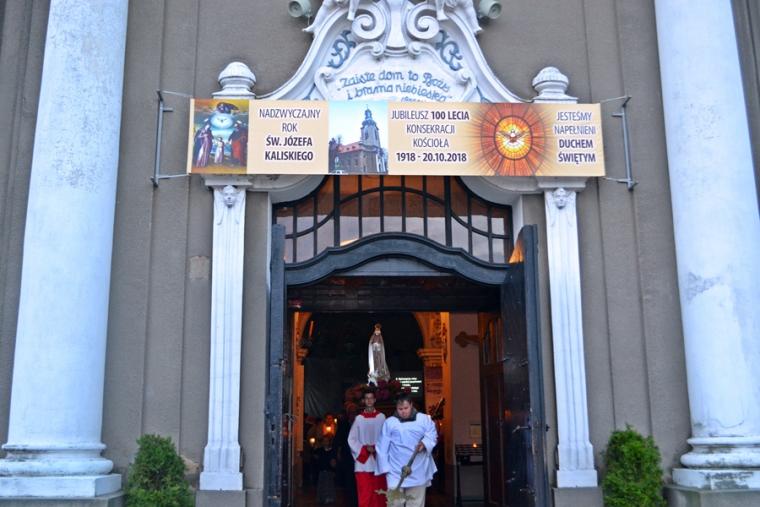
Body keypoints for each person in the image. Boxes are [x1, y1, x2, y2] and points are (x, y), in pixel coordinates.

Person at [375, 393, 437, 507]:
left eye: (406, 408)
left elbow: (432, 434)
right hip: (395, 470)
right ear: (396, 408)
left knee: (415, 503)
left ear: (411, 405)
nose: (403, 411)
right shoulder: (390, 422)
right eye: (400, 409)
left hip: (418, 468)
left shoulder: (424, 419)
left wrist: (424, 443)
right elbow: (382, 447)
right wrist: (385, 468)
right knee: (394, 503)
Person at [348, 390, 387, 507]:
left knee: (379, 494)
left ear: (375, 400)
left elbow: (387, 437)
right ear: (363, 401)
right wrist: (365, 449)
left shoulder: (382, 417)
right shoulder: (359, 419)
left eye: (371, 398)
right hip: (363, 464)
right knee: (365, 494)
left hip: (378, 461)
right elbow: (351, 439)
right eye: (367, 398)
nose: (369, 400)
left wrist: (377, 448)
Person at [315, 436, 338, 504]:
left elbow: (334, 461)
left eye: (326, 441)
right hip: (322, 470)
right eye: (324, 441)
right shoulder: (320, 450)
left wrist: (334, 469)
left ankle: (329, 498)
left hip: (329, 471)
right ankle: (322, 498)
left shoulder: (332, 451)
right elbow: (315, 457)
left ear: (329, 442)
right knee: (321, 485)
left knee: (329, 485)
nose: (325, 442)